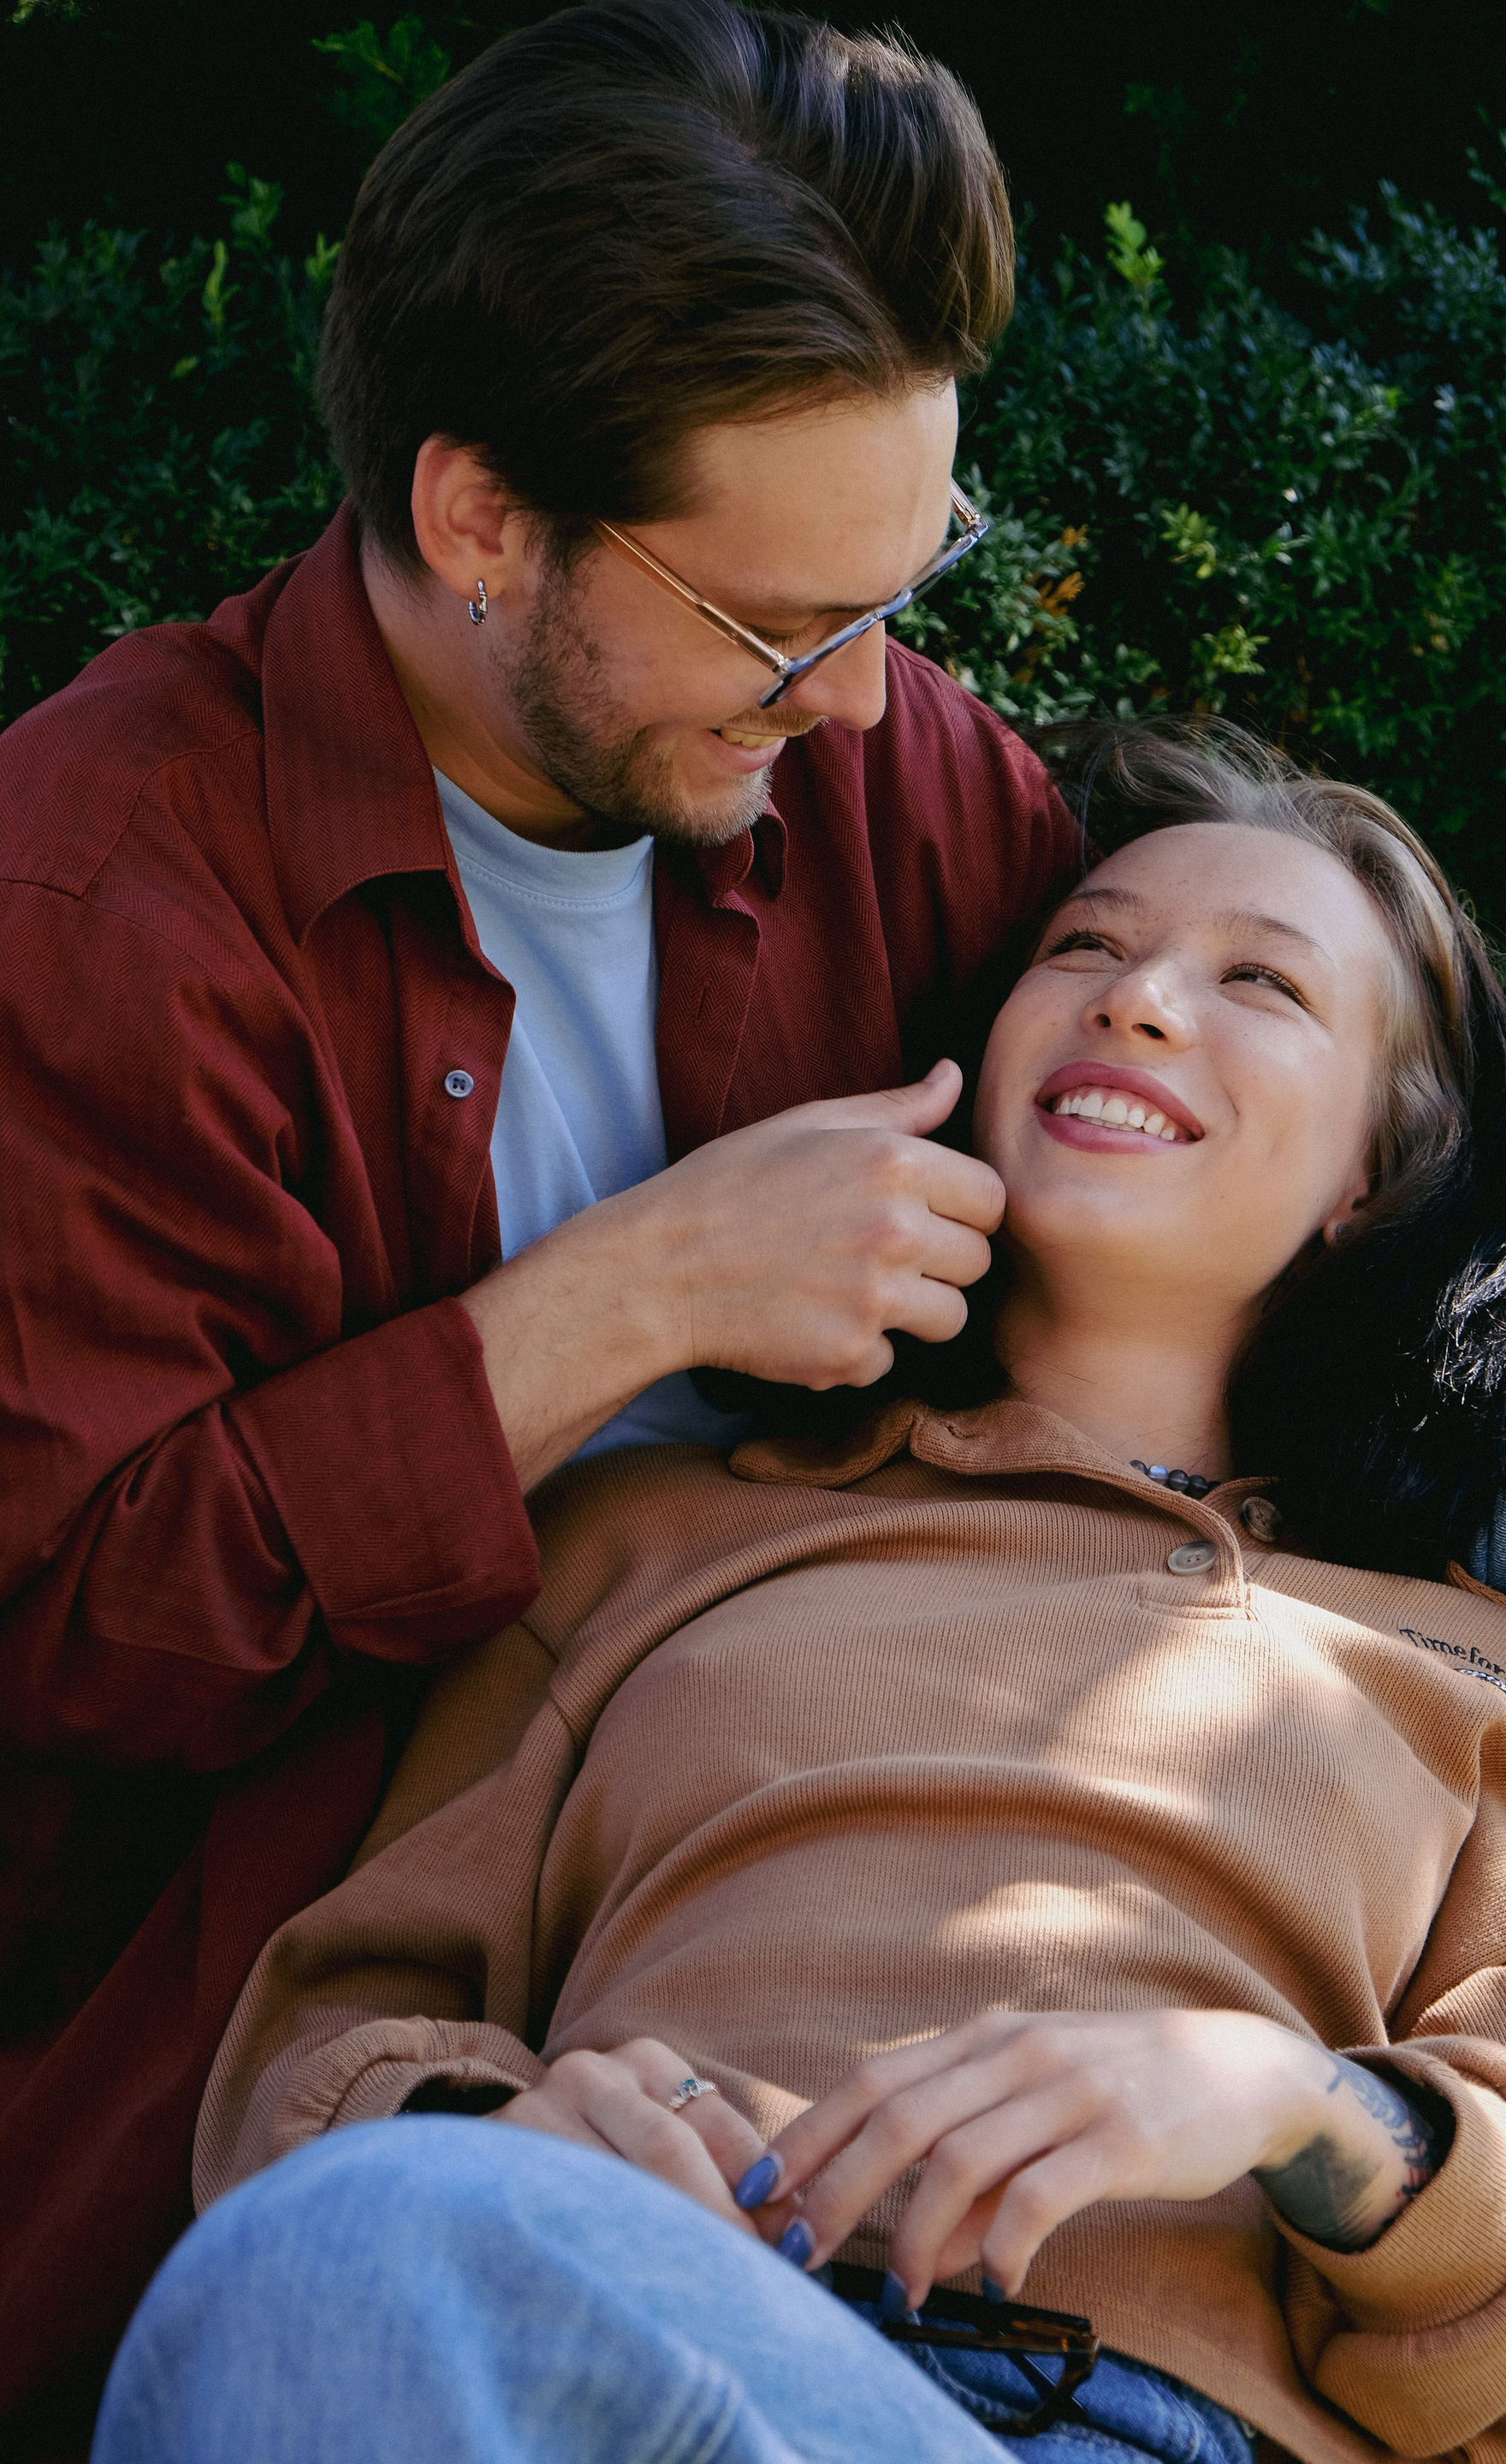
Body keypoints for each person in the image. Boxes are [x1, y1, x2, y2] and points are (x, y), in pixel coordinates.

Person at [99, 728, 1506, 2463]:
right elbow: (322, 2048)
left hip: (1131, 2423)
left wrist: (1308, 2108)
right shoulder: (647, 1541)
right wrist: (491, 2125)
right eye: (1088, 944)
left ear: (1374, 1175)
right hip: (600, 2332)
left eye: (1261, 982)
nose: (1137, 1002)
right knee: (330, 2260)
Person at [0, 1, 1081, 2436]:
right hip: (331, 2024)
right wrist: (633, 1298)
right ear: (483, 519)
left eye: (912, 582)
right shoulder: (94, 906)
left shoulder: (893, 768)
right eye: (784, 624)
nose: (865, 703)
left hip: (836, 1882)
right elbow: (73, 1646)